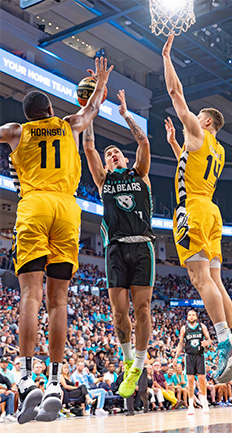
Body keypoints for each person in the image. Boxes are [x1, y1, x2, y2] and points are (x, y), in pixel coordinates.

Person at [0, 56, 113, 424]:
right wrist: (99, 84)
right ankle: (53, 381)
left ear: (30, 115)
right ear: (49, 109)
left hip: (33, 206)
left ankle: (23, 375)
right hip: (67, 210)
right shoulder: (68, 125)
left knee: (30, 295)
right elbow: (94, 107)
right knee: (59, 301)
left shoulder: (18, 131)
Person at [162, 34, 232, 384]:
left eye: (197, 118)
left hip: (192, 209)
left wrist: (166, 56)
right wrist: (176, 147)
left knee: (198, 280)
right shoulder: (219, 150)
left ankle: (225, 339)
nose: (191, 119)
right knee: (215, 280)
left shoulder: (197, 131)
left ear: (206, 122)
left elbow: (176, 94)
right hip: (212, 211)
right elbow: (193, 158)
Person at [83, 88, 156, 398]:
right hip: (115, 248)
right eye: (109, 153)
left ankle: (138, 364)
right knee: (118, 314)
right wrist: (88, 108)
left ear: (124, 159)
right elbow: (89, 146)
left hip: (142, 246)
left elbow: (143, 142)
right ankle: (128, 362)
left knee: (143, 310)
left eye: (116, 153)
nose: (111, 154)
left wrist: (125, 113)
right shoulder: (104, 181)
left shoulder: (140, 173)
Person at [173, 309, 211, 414]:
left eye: (193, 315)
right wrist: (176, 357)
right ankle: (190, 405)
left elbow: (209, 340)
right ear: (187, 317)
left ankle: (204, 402)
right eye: (189, 315)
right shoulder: (184, 328)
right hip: (189, 356)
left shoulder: (202, 326)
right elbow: (181, 343)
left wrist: (206, 342)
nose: (191, 316)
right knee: (190, 380)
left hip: (200, 355)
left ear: (196, 316)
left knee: (202, 379)